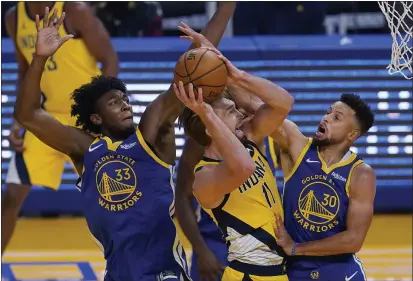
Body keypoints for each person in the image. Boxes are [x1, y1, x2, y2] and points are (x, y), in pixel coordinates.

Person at [12, 3, 235, 280]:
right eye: (114, 102)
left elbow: (192, 69)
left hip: (165, 273)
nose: (125, 105)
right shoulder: (85, 149)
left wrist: (226, 7)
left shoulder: (152, 135)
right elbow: (28, 115)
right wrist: (39, 59)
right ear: (95, 118)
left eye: (126, 99)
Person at [2, 1, 119, 254]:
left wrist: (103, 113)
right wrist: (18, 121)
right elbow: (25, 72)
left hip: (86, 117)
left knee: (112, 201)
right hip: (46, 118)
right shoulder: (13, 17)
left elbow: (110, 60)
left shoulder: (75, 11)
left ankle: (126, 265)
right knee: (10, 197)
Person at [176, 42, 294, 280]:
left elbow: (284, 103)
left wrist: (234, 76)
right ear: (210, 126)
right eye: (231, 111)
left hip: (280, 271)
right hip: (248, 275)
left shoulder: (248, 138)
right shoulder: (204, 177)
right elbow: (243, 168)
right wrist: (207, 113)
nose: (241, 113)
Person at [272, 94, 376, 281]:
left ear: (352, 134)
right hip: (293, 270)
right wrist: (235, 77)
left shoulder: (361, 174)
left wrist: (296, 247)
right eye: (328, 112)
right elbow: (257, 106)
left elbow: (354, 240)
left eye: (336, 117)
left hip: (340, 272)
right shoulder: (298, 148)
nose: (326, 117)